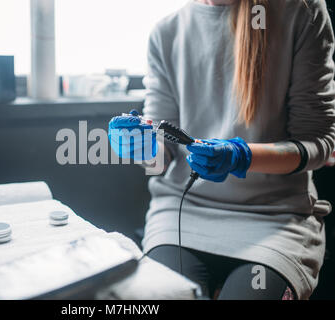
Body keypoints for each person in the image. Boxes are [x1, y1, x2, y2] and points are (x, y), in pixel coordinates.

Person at [108, 0, 335, 300]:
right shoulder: (166, 32)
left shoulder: (301, 12)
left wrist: (243, 156)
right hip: (183, 215)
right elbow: (161, 159)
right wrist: (143, 149)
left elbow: (319, 144)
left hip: (275, 220)